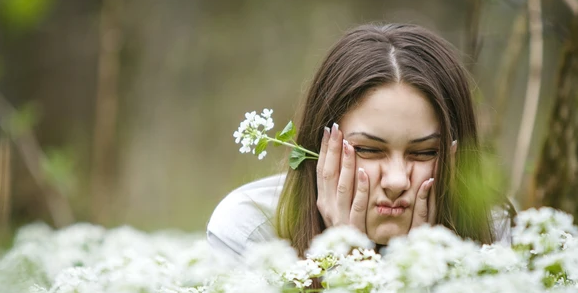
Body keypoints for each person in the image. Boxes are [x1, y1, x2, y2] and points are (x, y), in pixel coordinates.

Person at [207, 23, 513, 259]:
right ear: (319, 151)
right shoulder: (250, 232)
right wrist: (347, 269)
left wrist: (418, 274)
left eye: (424, 153)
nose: (396, 181)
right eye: (368, 149)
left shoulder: (493, 236)